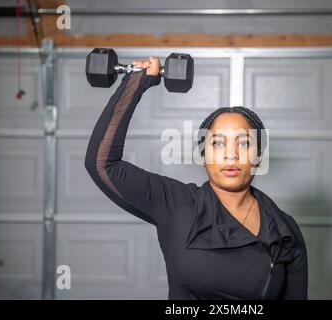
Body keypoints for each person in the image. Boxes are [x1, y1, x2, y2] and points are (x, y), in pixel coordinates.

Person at [85, 57, 308, 299]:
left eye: (244, 143)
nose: (231, 154)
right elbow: (102, 164)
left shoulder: (284, 229)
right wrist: (137, 81)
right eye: (218, 143)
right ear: (203, 156)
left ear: (258, 156)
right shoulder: (176, 204)